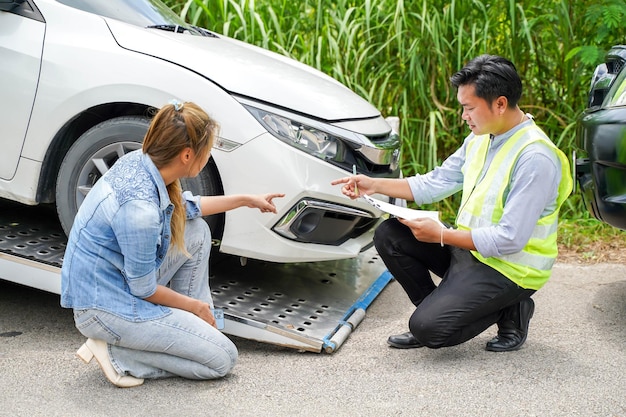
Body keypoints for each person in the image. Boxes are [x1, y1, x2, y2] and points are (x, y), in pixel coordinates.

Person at [332, 54, 572, 352]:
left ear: (499, 103)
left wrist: (441, 235)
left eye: (469, 107)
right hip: (470, 251)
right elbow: (435, 183)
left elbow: (510, 239)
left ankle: (510, 307)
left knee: (429, 330)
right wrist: (374, 184)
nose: (463, 116)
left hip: (510, 269)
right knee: (390, 234)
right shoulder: (482, 138)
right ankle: (440, 309)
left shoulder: (534, 158)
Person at [61, 100, 284, 387]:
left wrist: (245, 200)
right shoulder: (139, 212)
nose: (209, 156)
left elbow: (186, 208)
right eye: (208, 150)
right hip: (105, 308)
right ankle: (117, 355)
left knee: (196, 232)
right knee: (222, 359)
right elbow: (143, 289)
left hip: (118, 282)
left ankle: (197, 330)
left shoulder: (140, 161)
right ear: (188, 155)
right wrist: (193, 306)